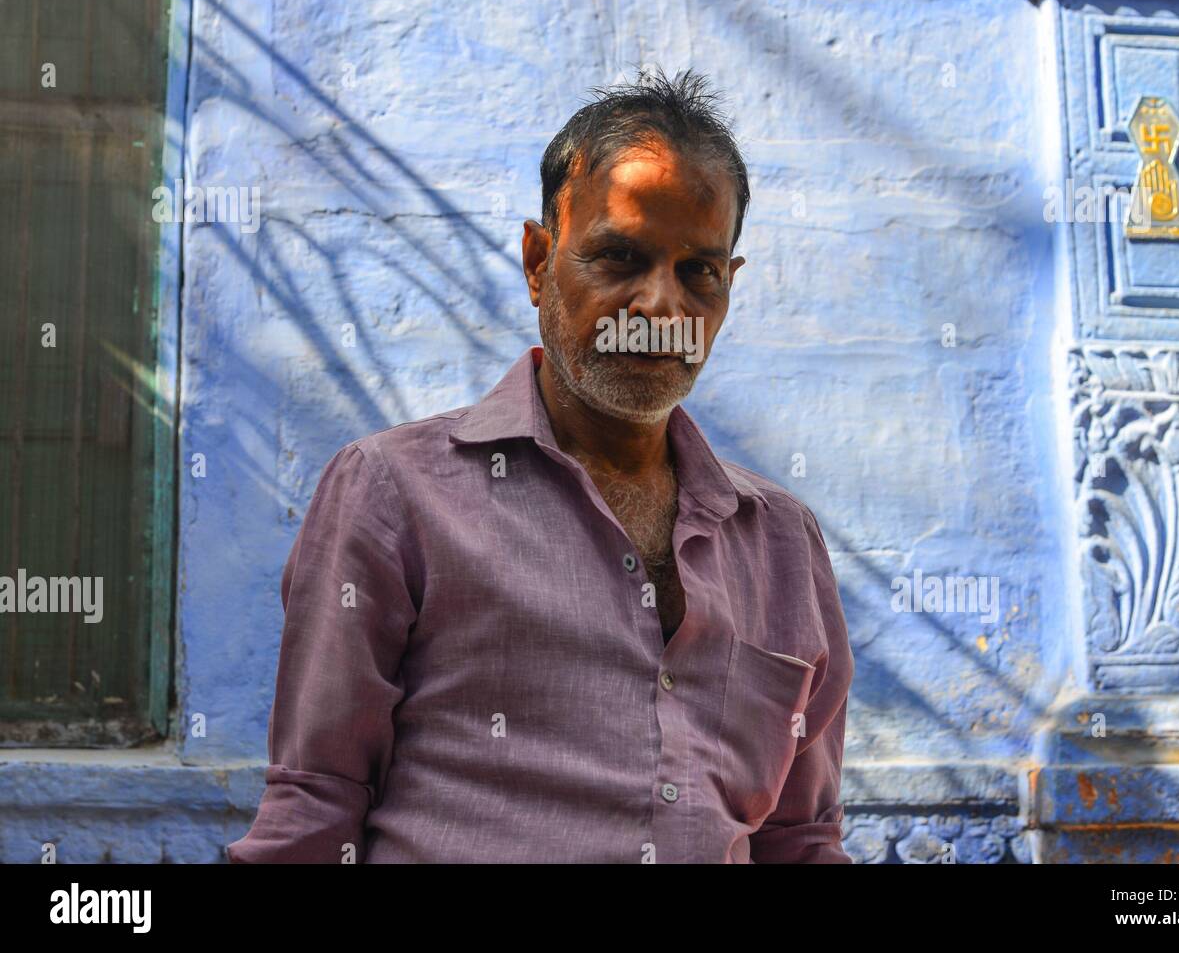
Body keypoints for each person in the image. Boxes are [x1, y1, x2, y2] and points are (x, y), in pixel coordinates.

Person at [226, 66, 855, 863]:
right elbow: (314, 810)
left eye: (697, 270)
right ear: (536, 260)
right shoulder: (393, 493)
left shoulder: (784, 545)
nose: (660, 307)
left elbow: (800, 841)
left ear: (729, 286)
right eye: (620, 257)